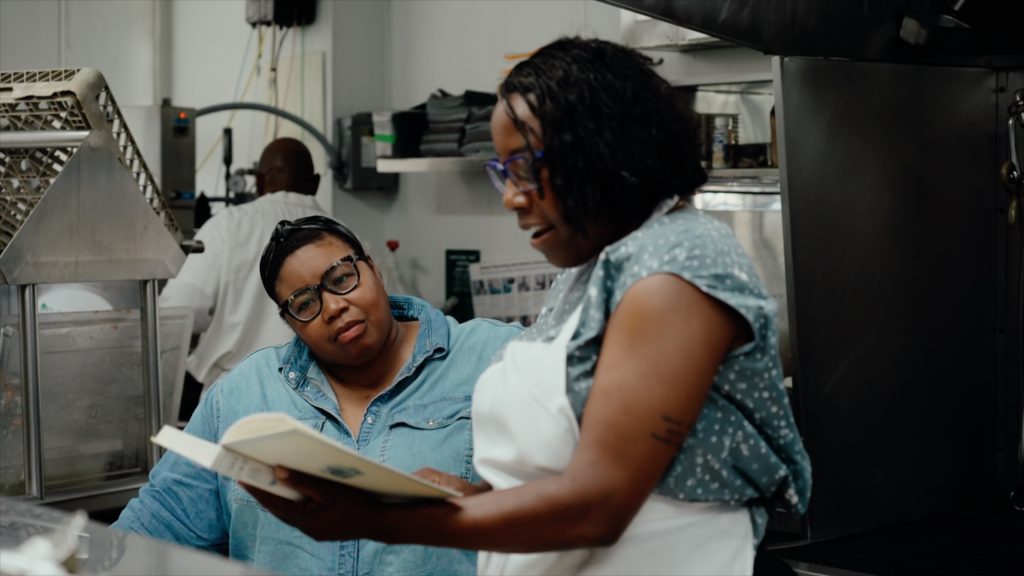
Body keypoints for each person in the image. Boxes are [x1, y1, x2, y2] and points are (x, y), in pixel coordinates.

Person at [246, 37, 812, 576]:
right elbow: (562, 462)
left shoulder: (676, 269)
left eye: (523, 168)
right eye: (502, 173)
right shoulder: (591, 269)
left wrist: (387, 520)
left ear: (600, 150)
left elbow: (601, 502)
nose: (512, 198)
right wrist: (462, 495)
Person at [113, 215, 522, 576]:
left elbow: (566, 499)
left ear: (374, 270)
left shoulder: (494, 358)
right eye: (305, 303)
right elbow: (159, 524)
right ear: (290, 323)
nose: (333, 307)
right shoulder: (243, 394)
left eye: (342, 279)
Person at [159, 137, 329, 419]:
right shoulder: (348, 236)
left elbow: (177, 313)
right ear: (315, 183)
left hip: (236, 402)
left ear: (260, 182)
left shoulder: (227, 226)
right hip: (322, 404)